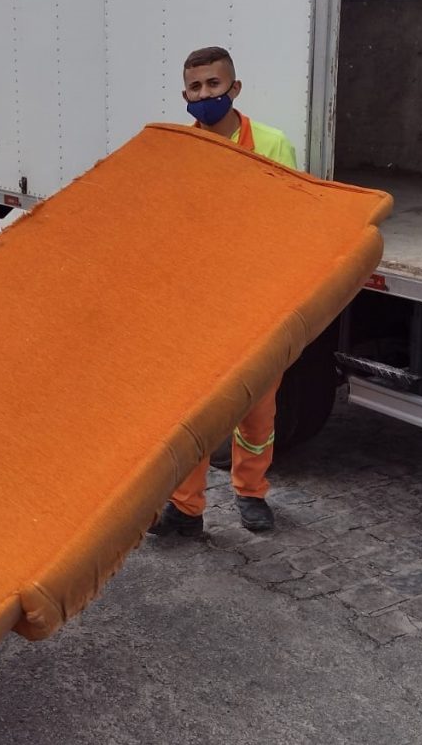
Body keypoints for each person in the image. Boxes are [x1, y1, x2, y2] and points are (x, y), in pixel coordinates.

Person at [149, 46, 297, 538]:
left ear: (234, 88)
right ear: (184, 95)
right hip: (196, 302)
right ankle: (186, 509)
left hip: (258, 298)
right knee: (192, 414)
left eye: (214, 85)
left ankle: (251, 494)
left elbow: (292, 221)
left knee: (256, 410)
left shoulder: (273, 144)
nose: (204, 95)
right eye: (195, 88)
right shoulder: (176, 150)